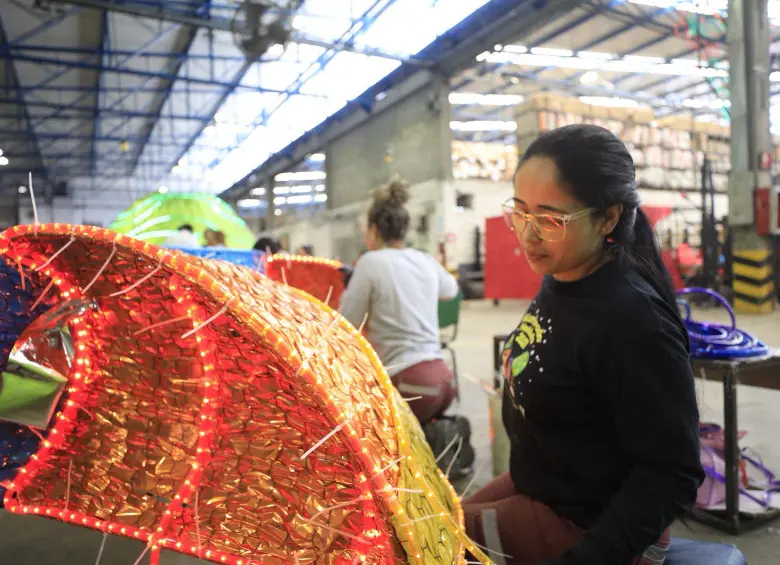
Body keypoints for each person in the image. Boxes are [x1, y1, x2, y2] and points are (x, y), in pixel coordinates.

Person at [464, 124, 703, 565]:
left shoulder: (632, 320)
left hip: (597, 524)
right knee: (423, 517)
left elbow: (672, 471)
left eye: (551, 220)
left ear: (608, 217)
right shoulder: (562, 277)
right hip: (552, 483)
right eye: (520, 212)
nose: (528, 235)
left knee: (424, 541)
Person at [339, 178, 459, 425]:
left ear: (374, 230)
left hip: (408, 384)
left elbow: (345, 324)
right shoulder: (424, 260)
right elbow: (451, 290)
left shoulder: (371, 263)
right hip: (443, 380)